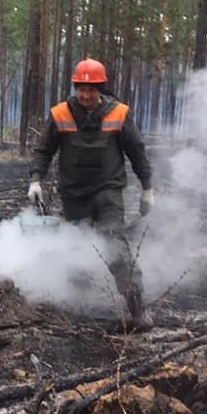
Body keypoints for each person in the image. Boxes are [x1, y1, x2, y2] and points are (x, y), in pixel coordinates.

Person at [27, 58, 154, 330]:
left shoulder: (119, 113)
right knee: (76, 247)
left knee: (113, 243)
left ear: (101, 88)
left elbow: (137, 152)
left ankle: (137, 306)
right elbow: (44, 150)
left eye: (91, 89)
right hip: (73, 194)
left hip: (107, 191)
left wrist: (147, 188)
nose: (85, 95)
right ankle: (78, 307)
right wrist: (36, 180)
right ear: (75, 87)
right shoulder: (60, 113)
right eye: (81, 88)